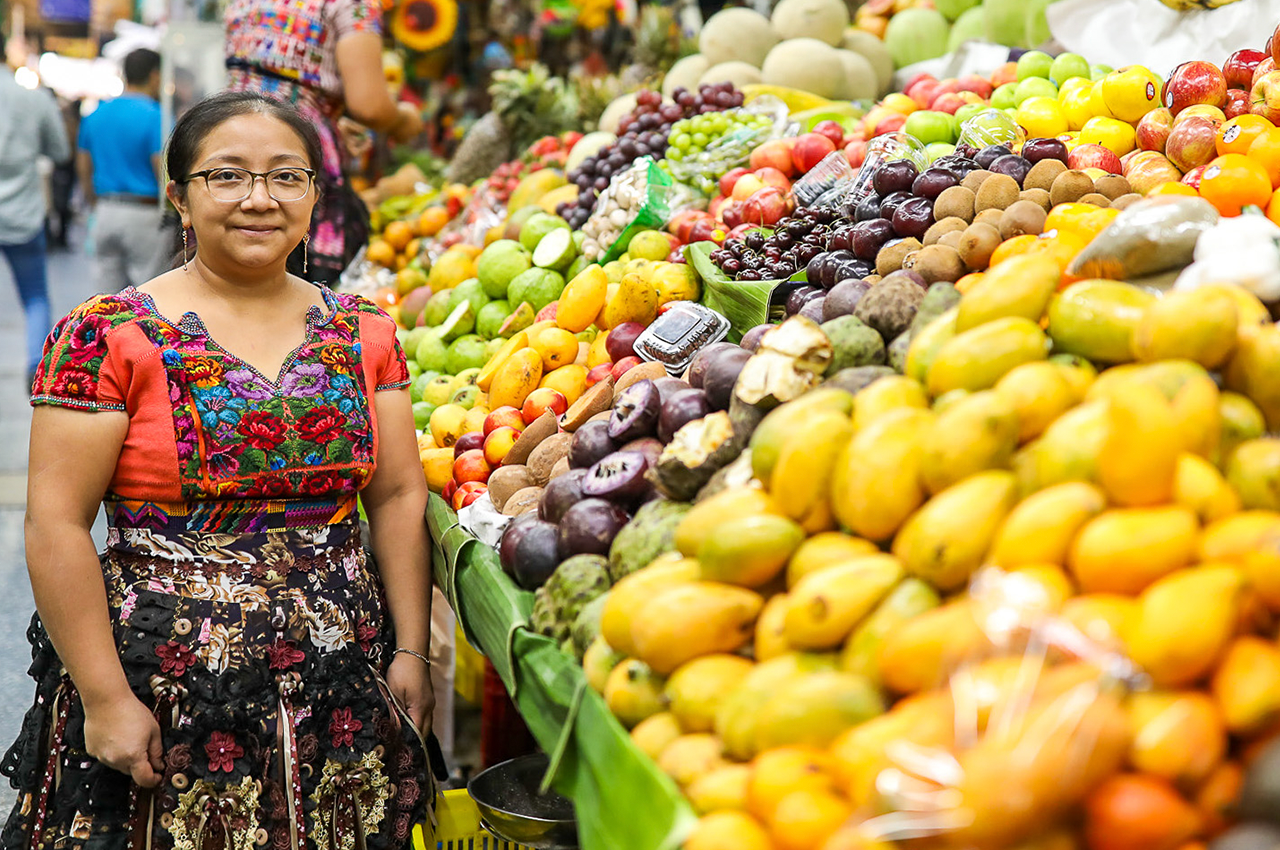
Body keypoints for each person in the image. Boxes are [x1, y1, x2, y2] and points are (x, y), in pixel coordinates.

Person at [2, 90, 435, 850]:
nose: (258, 200)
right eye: (227, 176)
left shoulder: (367, 331)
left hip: (341, 677)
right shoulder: (106, 335)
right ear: (180, 198)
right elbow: (56, 523)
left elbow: (399, 493)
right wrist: (105, 699)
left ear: (314, 196)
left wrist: (410, 651)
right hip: (164, 686)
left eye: (285, 177)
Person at [224, 0, 424, 284]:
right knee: (300, 286)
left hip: (230, 139)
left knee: (235, 269)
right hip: (296, 149)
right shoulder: (351, 4)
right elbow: (370, 106)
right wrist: (404, 120)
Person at [0, 29, 70, 388]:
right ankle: (34, 366)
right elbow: (59, 151)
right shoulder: (34, 99)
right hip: (22, 212)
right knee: (34, 295)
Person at [77, 48, 167, 291]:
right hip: (145, 216)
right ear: (155, 75)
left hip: (106, 211)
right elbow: (161, 168)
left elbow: (83, 165)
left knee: (106, 303)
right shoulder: (156, 116)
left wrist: (94, 203)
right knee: (150, 298)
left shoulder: (96, 113)